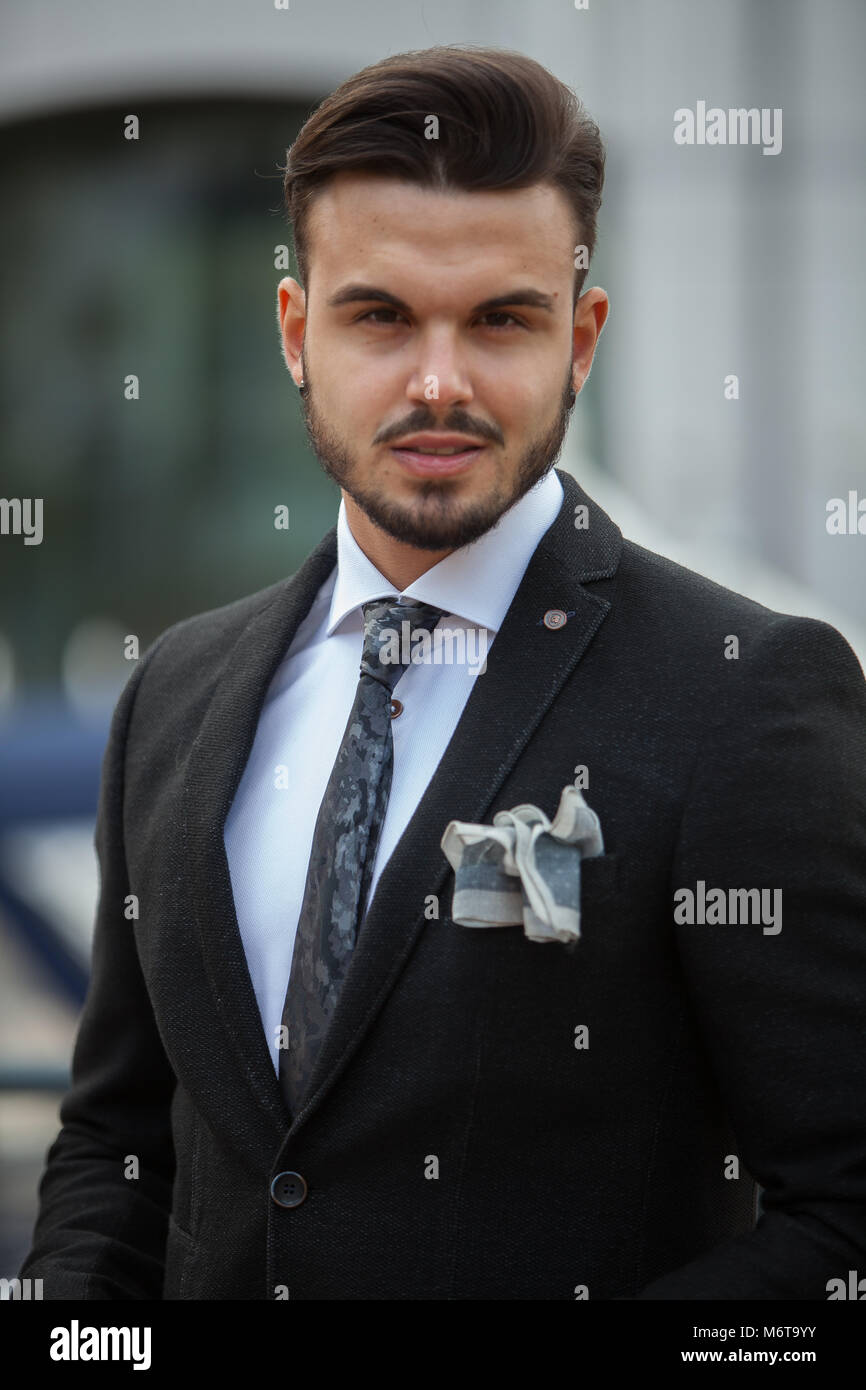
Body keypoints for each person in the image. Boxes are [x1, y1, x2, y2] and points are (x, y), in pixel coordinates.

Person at [20, 44, 866, 1300]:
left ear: (580, 340)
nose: (437, 382)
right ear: (296, 331)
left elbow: (841, 1220)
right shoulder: (173, 696)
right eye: (379, 315)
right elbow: (115, 1148)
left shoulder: (745, 691)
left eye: (500, 319)